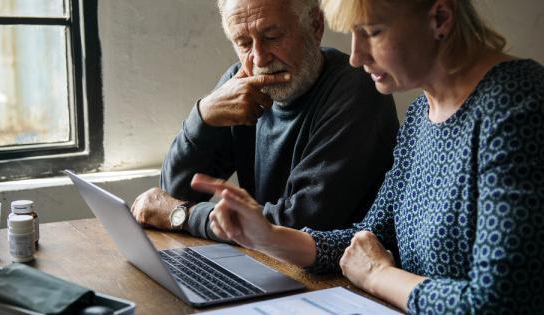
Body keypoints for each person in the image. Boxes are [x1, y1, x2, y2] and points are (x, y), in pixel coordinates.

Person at [190, 0, 544, 313]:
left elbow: (499, 301)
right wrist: (265, 236)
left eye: (372, 32)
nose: (356, 56)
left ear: (440, 17)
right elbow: (369, 237)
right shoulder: (423, 111)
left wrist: (378, 275)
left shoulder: (517, 105)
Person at [130, 0, 398, 240]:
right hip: (268, 262)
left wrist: (184, 216)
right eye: (244, 43)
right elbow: (176, 193)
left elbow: (299, 225)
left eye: (272, 36)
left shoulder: (357, 91)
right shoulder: (241, 84)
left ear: (316, 26)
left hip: (336, 279)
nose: (259, 58)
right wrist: (202, 116)